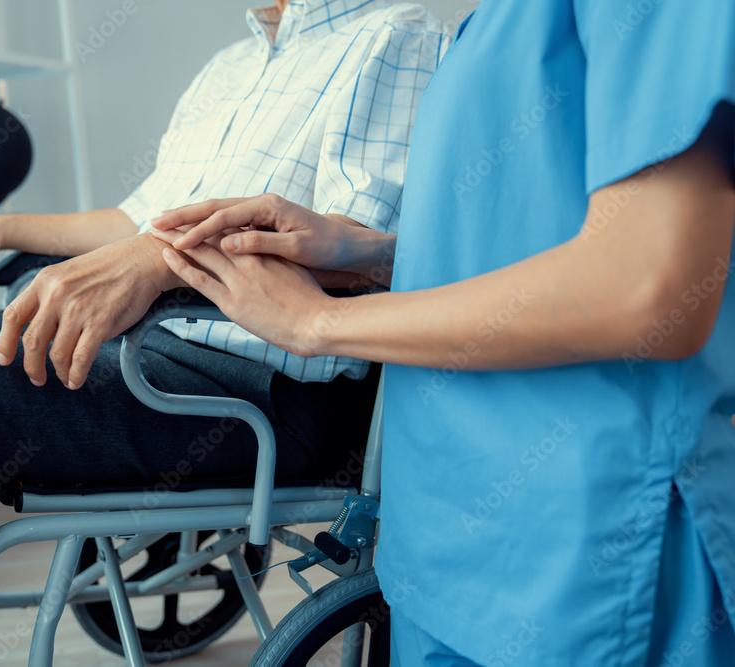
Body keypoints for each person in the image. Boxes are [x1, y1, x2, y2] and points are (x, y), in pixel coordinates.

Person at [0, 1, 449, 664]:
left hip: (255, 386)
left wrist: (155, 261)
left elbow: (349, 248)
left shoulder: (395, 36)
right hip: (140, 348)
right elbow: (136, 222)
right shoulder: (228, 68)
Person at [151, 0, 735, 664]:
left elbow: (644, 286)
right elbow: (530, 234)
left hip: (579, 549)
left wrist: (320, 322)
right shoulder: (493, 21)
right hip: (444, 533)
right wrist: (365, 250)